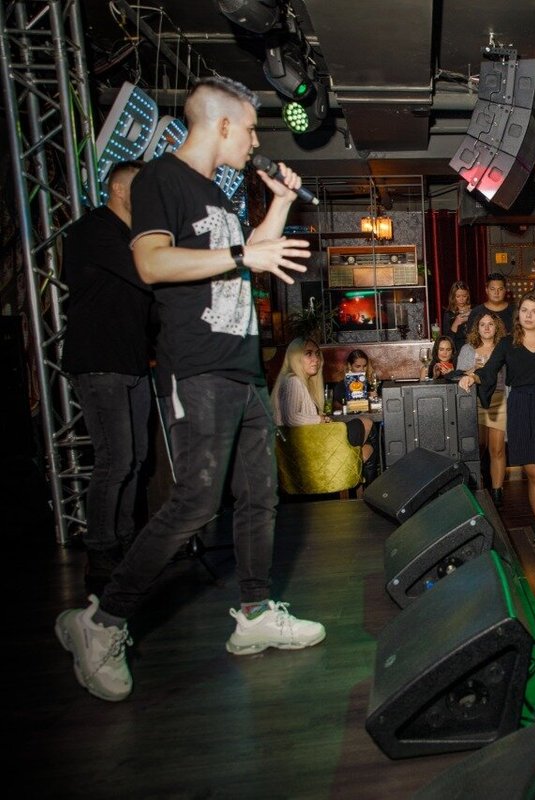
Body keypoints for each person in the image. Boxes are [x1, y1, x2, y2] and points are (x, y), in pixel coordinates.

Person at [55, 76, 324, 703]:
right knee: (197, 501)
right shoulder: (160, 180)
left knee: (260, 497)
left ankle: (254, 614)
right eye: (250, 129)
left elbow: (247, 254)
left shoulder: (218, 193)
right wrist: (242, 256)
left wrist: (281, 204)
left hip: (241, 365)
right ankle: (103, 621)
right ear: (222, 125)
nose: (255, 141)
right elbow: (152, 263)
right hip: (198, 367)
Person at [61, 160, 153, 595]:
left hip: (132, 361)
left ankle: (124, 541)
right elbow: (145, 276)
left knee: (135, 458)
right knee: (114, 459)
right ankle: (100, 549)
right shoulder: (94, 231)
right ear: (118, 189)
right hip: (99, 361)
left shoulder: (134, 236)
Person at [459, 292, 535, 558]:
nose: (529, 315)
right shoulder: (508, 343)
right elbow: (489, 370)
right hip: (520, 407)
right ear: (518, 315)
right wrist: (473, 378)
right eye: (525, 310)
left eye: (534, 311)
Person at [272, 338, 375, 468]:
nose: (316, 359)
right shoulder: (293, 381)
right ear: (295, 357)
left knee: (367, 448)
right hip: (309, 449)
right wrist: (319, 419)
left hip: (309, 444)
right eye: (308, 354)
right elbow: (291, 418)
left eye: (317, 354)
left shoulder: (297, 381)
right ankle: (350, 468)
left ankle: (350, 470)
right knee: (365, 424)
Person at [457, 311, 508, 506]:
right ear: (477, 328)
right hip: (475, 400)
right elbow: (459, 375)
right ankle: (477, 490)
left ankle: (497, 493)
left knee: (498, 450)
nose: (486, 328)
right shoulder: (468, 349)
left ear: (497, 327)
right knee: (478, 448)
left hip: (499, 400)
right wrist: (475, 371)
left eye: (490, 324)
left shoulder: (504, 347)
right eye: (482, 324)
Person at [440, 280, 472, 352]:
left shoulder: (474, 310)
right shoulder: (449, 313)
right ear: (453, 297)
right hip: (457, 349)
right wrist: (455, 324)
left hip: (473, 348)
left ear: (468, 295)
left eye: (464, 296)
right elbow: (447, 340)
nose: (461, 299)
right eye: (458, 296)